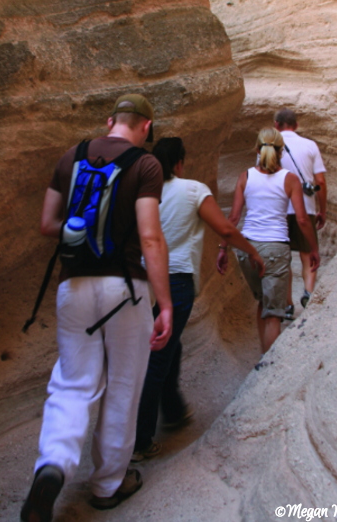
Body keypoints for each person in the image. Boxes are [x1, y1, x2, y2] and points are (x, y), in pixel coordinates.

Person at [20, 94, 173, 522]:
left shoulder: (72, 156)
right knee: (123, 385)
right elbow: (149, 238)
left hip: (74, 286)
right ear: (145, 126)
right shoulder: (146, 165)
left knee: (72, 383)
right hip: (125, 289)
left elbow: (47, 224)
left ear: (109, 121)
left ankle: (53, 465)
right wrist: (165, 304)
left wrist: (81, 227)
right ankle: (108, 485)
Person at [131, 138, 265, 462]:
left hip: (139, 280)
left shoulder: (143, 193)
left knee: (170, 345)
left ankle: (173, 409)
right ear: (179, 162)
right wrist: (252, 252)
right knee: (158, 360)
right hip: (175, 282)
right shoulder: (193, 190)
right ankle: (140, 441)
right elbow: (226, 229)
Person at [217, 128, 320, 354]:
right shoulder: (289, 179)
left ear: (257, 149)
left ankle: (262, 359)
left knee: (263, 303)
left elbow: (233, 218)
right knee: (274, 314)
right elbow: (302, 220)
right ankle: (267, 370)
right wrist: (313, 248)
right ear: (281, 152)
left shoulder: (245, 176)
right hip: (274, 250)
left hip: (246, 249)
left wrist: (223, 249)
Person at [274, 108, 327, 310]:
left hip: (279, 210)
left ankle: (287, 305)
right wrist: (322, 209)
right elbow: (320, 180)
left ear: (276, 125)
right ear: (296, 126)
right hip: (306, 209)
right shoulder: (310, 145)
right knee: (308, 255)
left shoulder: (269, 148)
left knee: (284, 258)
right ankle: (309, 293)